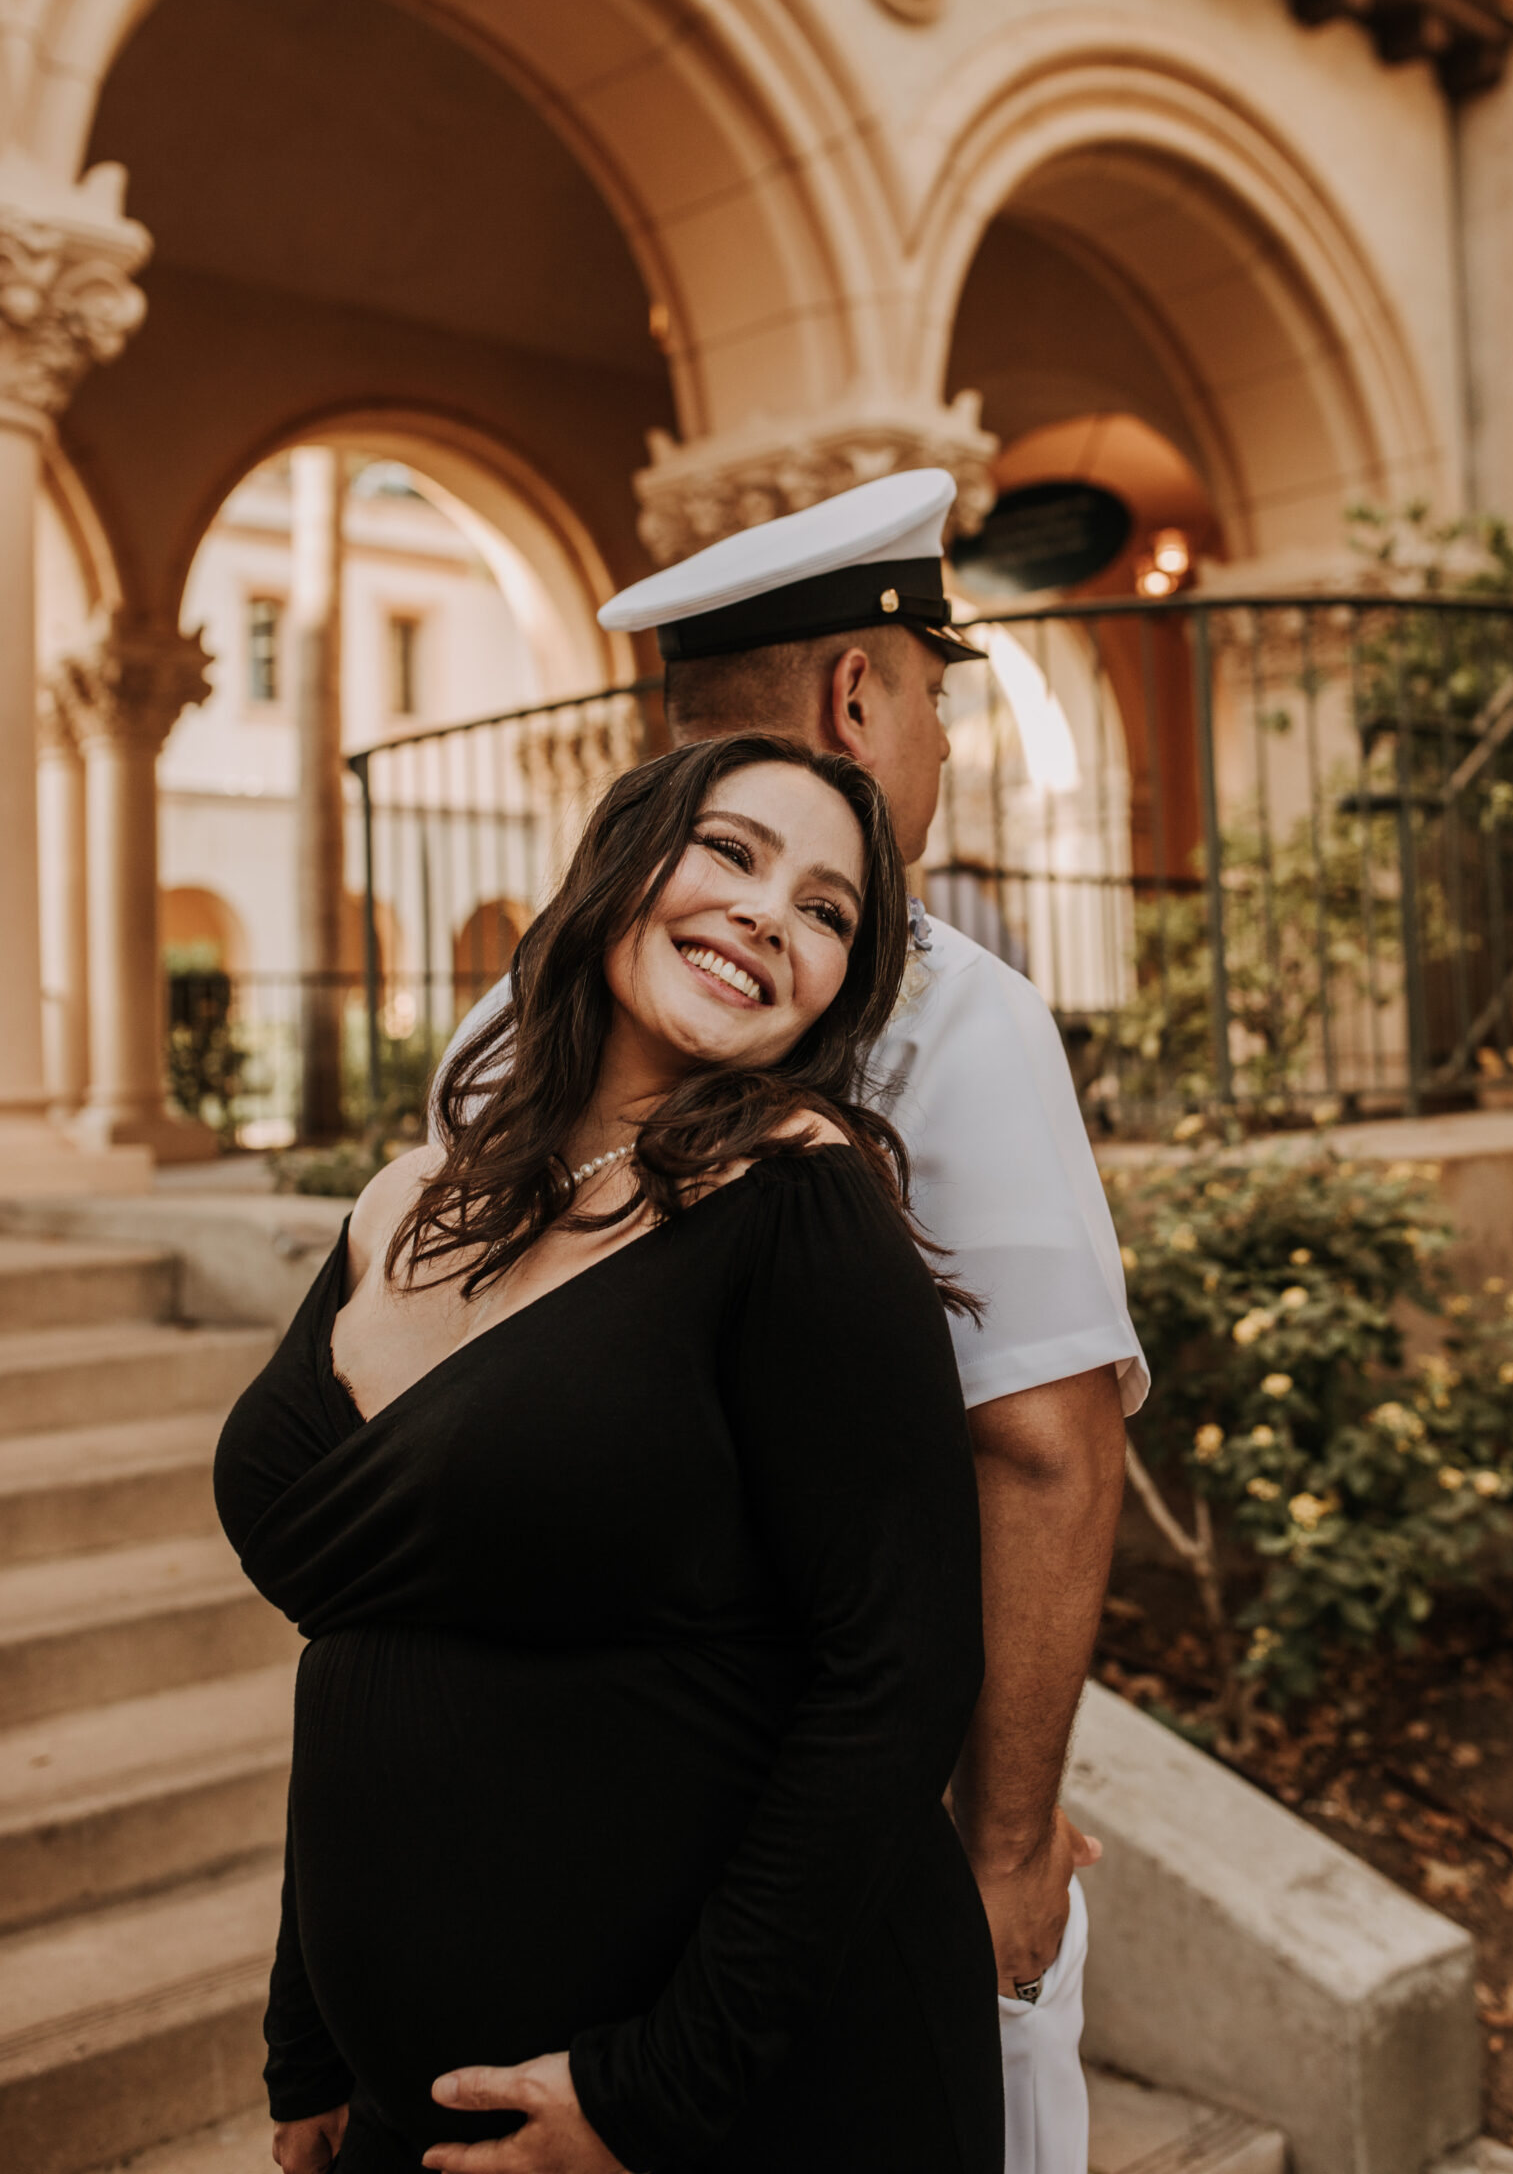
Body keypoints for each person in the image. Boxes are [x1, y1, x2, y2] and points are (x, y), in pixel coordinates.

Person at [446, 469, 1148, 2174]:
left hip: (541, 1829)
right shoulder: (953, 1009)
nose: (949, 749)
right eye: (934, 700)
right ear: (859, 695)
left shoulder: (503, 1015)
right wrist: (1000, 1847)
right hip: (830, 1851)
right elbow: (1047, 1454)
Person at [215, 735, 1004, 2174]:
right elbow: (375, 1634)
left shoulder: (799, 1209)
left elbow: (900, 1670)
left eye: (828, 912)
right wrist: (311, 2032)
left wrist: (658, 2092)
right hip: (411, 2109)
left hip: (729, 2103)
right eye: (734, 851)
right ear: (621, 862)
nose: (772, 914)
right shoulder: (406, 1198)